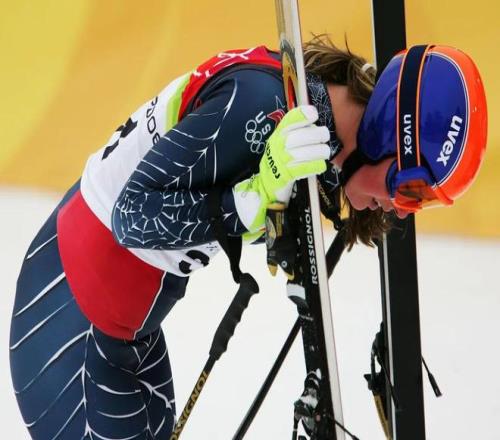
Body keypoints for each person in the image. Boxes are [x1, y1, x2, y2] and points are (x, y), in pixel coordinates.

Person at [9, 36, 487, 439]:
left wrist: (261, 204)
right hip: (69, 324)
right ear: (386, 132)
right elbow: (130, 215)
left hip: (118, 326)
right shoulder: (262, 108)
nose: (398, 208)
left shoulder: (309, 129)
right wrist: (250, 201)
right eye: (410, 190)